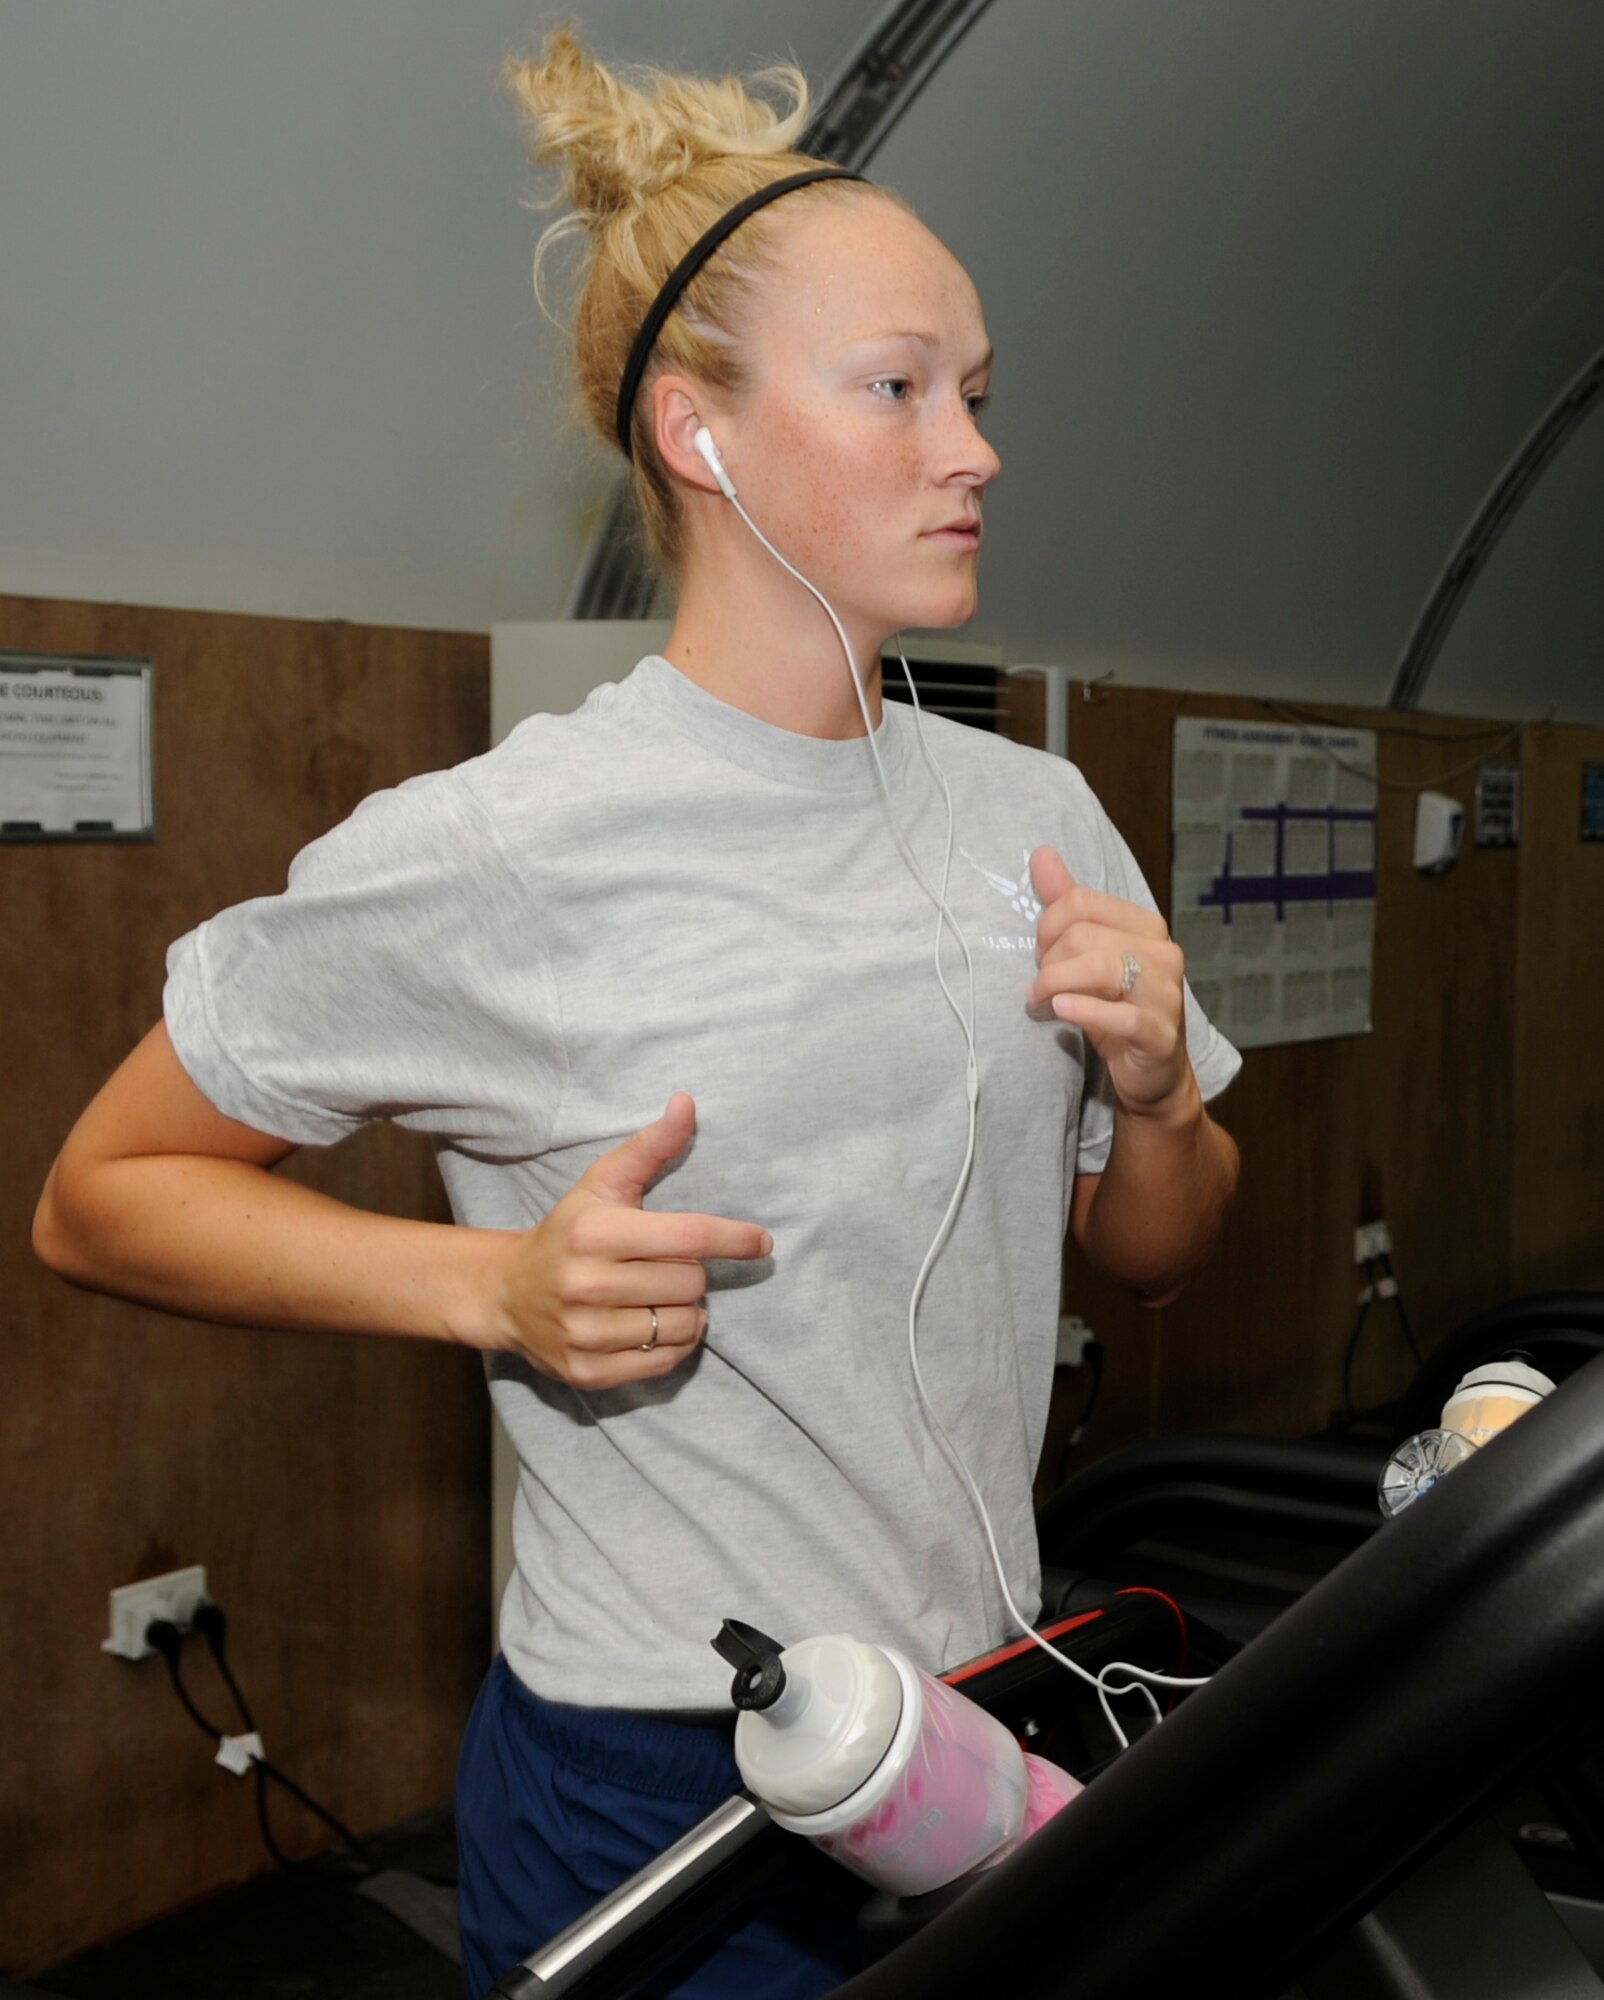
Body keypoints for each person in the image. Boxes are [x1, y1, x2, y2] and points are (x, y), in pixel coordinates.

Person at [33, 28, 1240, 1999]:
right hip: (672, 1763)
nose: (977, 446)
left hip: (994, 1693)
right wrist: (485, 1295)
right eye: (899, 391)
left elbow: (1160, 1258)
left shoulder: (1034, 811)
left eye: (980, 393)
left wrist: (1161, 1095)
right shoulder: (506, 846)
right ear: (700, 433)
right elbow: (102, 1192)